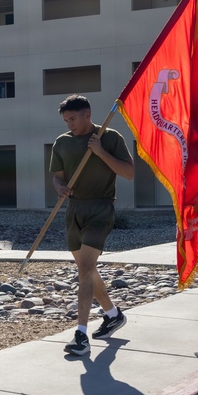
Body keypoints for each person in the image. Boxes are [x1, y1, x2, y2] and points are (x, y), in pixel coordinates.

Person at [50, 94, 135, 356]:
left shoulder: (109, 137)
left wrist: (100, 152)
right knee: (86, 269)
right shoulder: (62, 142)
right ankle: (113, 314)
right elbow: (57, 177)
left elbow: (129, 172)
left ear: (87, 114)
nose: (70, 124)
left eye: (73, 118)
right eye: (66, 120)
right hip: (74, 209)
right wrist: (60, 188)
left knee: (86, 268)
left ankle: (81, 336)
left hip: (100, 208)